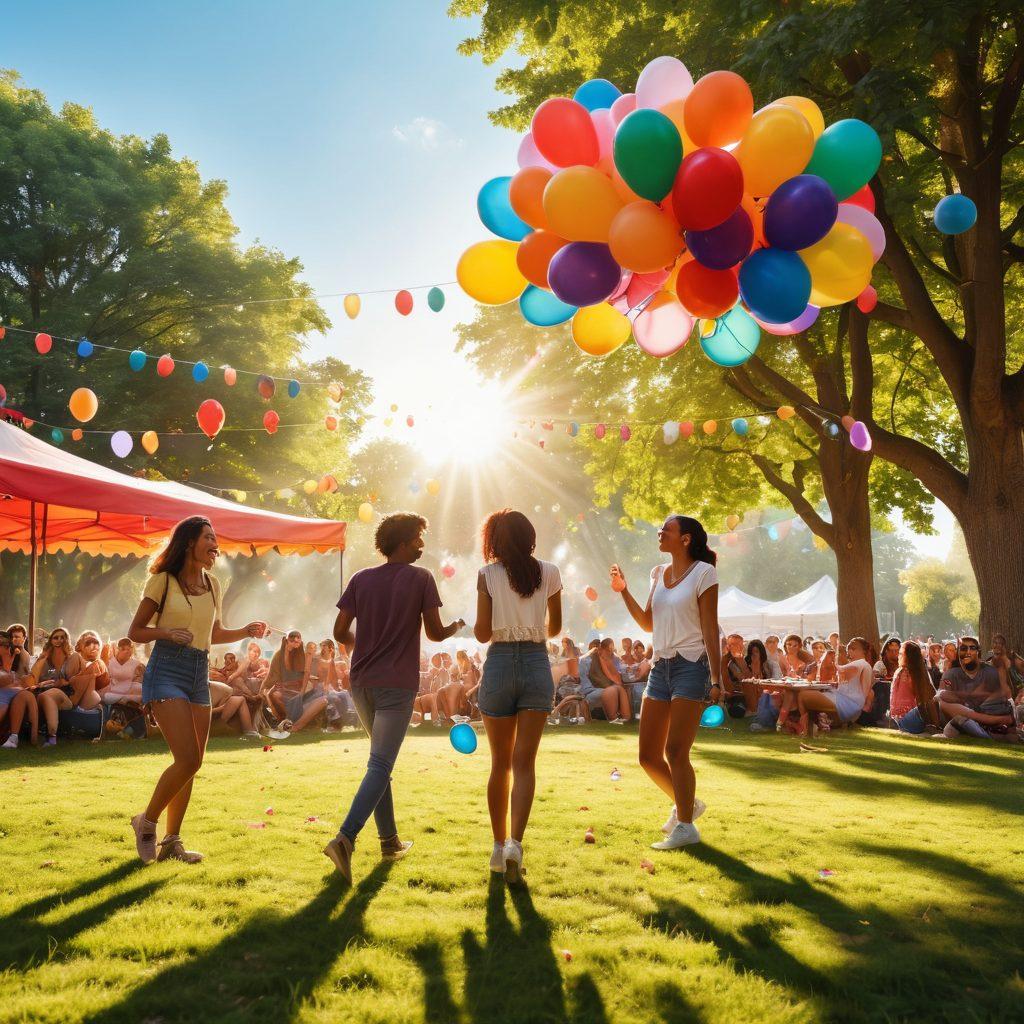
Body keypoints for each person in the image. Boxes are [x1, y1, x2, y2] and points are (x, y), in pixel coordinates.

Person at [326, 512, 464, 882]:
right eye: (418, 538)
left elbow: (340, 631)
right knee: (381, 764)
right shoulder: (421, 578)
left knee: (379, 761)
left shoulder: (360, 578)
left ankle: (389, 842)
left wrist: (365, 645)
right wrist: (456, 627)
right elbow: (434, 633)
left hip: (362, 681)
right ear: (403, 541)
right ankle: (345, 839)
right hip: (397, 684)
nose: (422, 545)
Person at [127, 516, 267, 865]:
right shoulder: (163, 580)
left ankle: (172, 842)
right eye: (208, 537)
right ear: (189, 542)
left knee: (192, 763)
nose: (215, 544)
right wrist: (167, 633)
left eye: (215, 538)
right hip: (166, 669)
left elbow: (213, 632)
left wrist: (245, 631)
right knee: (188, 758)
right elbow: (136, 630)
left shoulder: (213, 583)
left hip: (198, 671)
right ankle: (147, 823)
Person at [612, 514, 722, 851]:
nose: (659, 532)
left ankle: (686, 826)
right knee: (647, 756)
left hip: (692, 666)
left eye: (667, 529)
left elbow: (709, 628)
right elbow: (647, 622)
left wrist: (716, 678)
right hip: (660, 667)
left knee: (675, 750)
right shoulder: (658, 574)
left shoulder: (705, 573)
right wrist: (623, 591)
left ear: (686, 539)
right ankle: (688, 804)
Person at [472, 509, 561, 882]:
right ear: (530, 536)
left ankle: (496, 846)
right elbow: (555, 628)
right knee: (525, 765)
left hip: (499, 663)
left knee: (500, 764)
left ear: (494, 540)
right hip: (537, 662)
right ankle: (515, 844)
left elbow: (480, 633)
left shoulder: (487, 575)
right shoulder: (551, 572)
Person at [934, 636, 1014, 739]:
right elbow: (941, 695)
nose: (968, 652)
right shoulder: (951, 673)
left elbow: (990, 695)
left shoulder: (988, 671)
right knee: (945, 704)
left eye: (972, 648)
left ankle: (995, 727)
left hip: (984, 713)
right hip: (964, 715)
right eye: (963, 649)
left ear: (978, 652)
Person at [795, 638, 875, 733]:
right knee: (812, 698)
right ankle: (817, 725)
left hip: (847, 704)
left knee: (802, 695)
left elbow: (830, 669)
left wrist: (824, 657)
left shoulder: (858, 664)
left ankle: (805, 729)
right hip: (853, 704)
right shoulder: (865, 665)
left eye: (851, 649)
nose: (849, 652)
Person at [25, 627, 76, 747]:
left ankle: (51, 737)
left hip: (64, 695)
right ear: (51, 640)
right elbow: (33, 679)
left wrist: (64, 682)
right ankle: (47, 737)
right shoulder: (44, 659)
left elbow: (75, 679)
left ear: (67, 640)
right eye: (56, 638)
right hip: (43, 693)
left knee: (50, 694)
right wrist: (43, 657)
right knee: (44, 695)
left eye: (62, 638)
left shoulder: (72, 658)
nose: (59, 640)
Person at [889, 640, 938, 734]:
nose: (898, 656)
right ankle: (935, 727)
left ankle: (935, 726)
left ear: (907, 656)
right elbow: (927, 699)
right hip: (906, 721)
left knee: (931, 702)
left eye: (900, 654)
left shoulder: (906, 672)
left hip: (903, 720)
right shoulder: (906, 673)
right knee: (930, 703)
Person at [1, 628, 38, 748]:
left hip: (11, 693)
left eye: (6, 644)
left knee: (24, 695)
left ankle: (15, 738)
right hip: (6, 693)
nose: (5, 647)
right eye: (2, 644)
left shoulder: (18, 655)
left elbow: (21, 678)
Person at [103, 638, 145, 705]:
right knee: (106, 695)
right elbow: (106, 679)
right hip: (114, 689)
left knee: (141, 689)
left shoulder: (137, 664)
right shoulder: (110, 662)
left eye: (130, 649)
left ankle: (125, 699)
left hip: (130, 689)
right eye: (124, 649)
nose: (128, 652)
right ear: (119, 649)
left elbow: (141, 680)